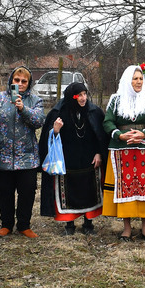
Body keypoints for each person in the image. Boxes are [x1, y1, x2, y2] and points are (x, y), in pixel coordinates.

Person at [0, 66, 45, 239]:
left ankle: (24, 225)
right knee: (4, 192)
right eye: (17, 80)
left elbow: (39, 121)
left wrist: (23, 108)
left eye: (24, 81)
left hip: (27, 157)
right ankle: (6, 224)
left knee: (27, 192)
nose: (20, 84)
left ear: (29, 83)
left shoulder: (35, 100)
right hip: (2, 155)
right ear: (11, 81)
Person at [102, 65, 145, 241]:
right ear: (127, 80)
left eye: (140, 79)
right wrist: (119, 135)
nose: (138, 82)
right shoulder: (116, 100)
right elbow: (108, 122)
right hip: (122, 149)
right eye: (135, 79)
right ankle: (127, 228)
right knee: (125, 188)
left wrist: (144, 134)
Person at [40, 82, 109, 235]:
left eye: (85, 94)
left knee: (89, 192)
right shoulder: (58, 112)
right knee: (69, 192)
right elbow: (47, 138)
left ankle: (88, 224)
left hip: (90, 161)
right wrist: (55, 130)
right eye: (79, 95)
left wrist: (99, 153)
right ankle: (69, 225)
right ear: (72, 97)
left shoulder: (94, 112)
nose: (83, 98)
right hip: (67, 162)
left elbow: (101, 136)